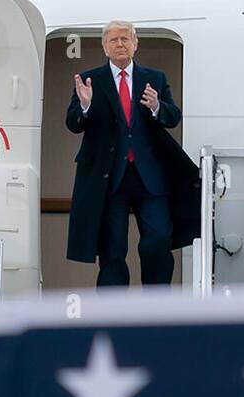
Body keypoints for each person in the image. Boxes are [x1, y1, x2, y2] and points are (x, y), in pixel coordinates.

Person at [64, 21, 200, 286]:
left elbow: (173, 118)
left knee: (158, 240)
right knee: (112, 250)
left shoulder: (155, 78)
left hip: (149, 176)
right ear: (105, 47)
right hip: (110, 178)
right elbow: (73, 124)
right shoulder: (90, 80)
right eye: (113, 40)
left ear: (135, 44)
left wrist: (157, 106)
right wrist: (85, 105)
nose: (120, 44)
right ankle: (113, 313)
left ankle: (157, 305)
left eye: (125, 39)